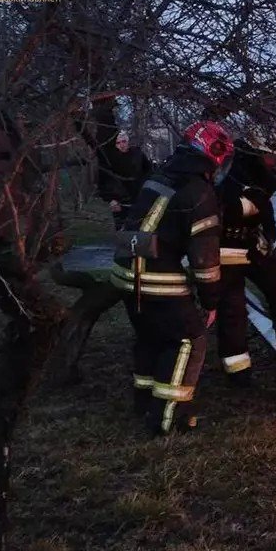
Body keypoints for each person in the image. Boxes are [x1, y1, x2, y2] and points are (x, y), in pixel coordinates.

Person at [110, 120, 231, 434]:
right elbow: (205, 260)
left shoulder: (158, 176)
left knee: (152, 336)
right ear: (214, 156)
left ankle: (144, 403)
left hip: (126, 273)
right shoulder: (200, 193)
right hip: (156, 278)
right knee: (189, 340)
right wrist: (210, 300)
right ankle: (169, 420)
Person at [215, 139, 276, 384]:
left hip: (253, 243)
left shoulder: (262, 178)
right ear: (256, 153)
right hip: (226, 246)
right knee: (232, 309)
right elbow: (230, 208)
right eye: (271, 156)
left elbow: (264, 207)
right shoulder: (232, 175)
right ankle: (238, 372)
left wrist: (268, 234)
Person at [97, 131, 153, 228]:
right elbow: (102, 181)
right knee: (122, 229)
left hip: (139, 198)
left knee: (140, 228)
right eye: (118, 143)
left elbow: (149, 172)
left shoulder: (137, 154)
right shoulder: (109, 159)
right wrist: (111, 199)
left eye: (123, 142)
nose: (121, 145)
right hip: (119, 202)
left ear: (128, 142)